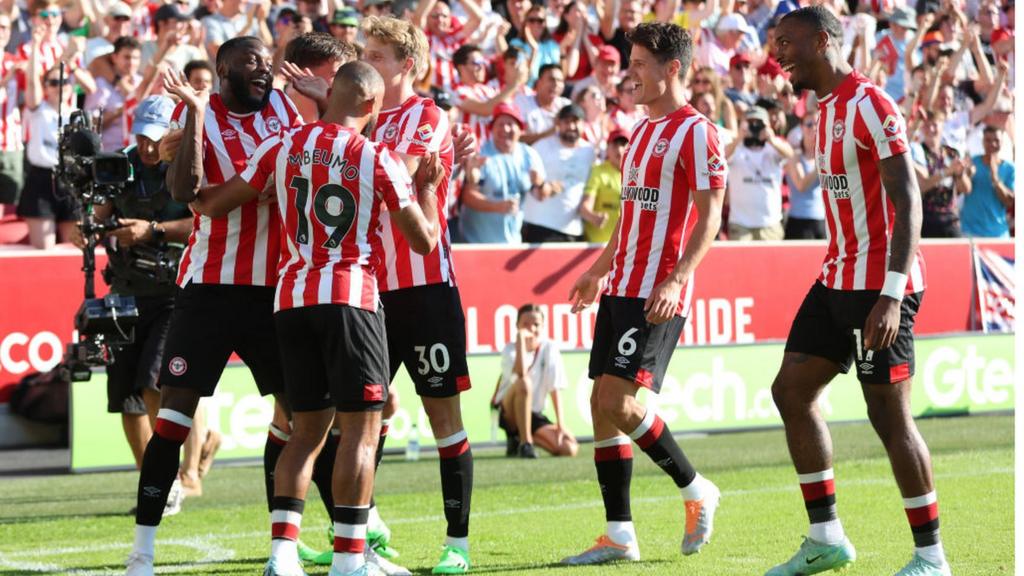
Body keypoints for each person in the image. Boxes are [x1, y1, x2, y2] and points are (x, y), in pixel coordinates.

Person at [189, 60, 444, 576]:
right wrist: (430, 191)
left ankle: (283, 556)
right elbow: (423, 241)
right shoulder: (377, 157)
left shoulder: (283, 145)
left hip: (290, 297)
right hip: (351, 296)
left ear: (333, 98)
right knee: (360, 433)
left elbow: (213, 204)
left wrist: (186, 174)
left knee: (303, 432)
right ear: (371, 106)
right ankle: (351, 560)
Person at [123, 37, 332, 576]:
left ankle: (305, 548)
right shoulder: (199, 118)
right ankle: (141, 553)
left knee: (305, 419)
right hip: (209, 289)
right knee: (172, 420)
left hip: (275, 291)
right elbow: (188, 192)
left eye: (266, 61)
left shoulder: (286, 108)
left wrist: (323, 103)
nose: (262, 70)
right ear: (222, 71)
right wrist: (193, 119)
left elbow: (315, 163)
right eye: (249, 62)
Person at [769, 6, 948, 575]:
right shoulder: (821, 112)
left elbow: (908, 201)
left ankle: (932, 558)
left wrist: (892, 295)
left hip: (881, 288)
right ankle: (826, 537)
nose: (778, 54)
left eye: (787, 42)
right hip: (835, 278)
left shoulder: (871, 104)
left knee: (888, 417)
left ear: (823, 41)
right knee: (791, 392)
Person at [564, 21, 725, 566]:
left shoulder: (697, 132)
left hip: (657, 290)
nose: (629, 74)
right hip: (622, 288)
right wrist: (597, 270)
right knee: (600, 408)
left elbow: (711, 217)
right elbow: (630, 218)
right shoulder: (640, 130)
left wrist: (677, 279)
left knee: (619, 402)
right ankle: (619, 534)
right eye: (629, 64)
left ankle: (696, 487)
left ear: (672, 68)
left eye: (637, 65)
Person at [362, 16, 473, 574]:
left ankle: (457, 544)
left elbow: (395, 183)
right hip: (369, 291)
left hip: (426, 288)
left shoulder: (427, 115)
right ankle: (365, 526)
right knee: (361, 415)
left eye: (378, 56)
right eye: (365, 54)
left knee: (442, 417)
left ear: (406, 64)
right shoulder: (362, 119)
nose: (368, 64)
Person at [88, 96, 215, 508]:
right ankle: (155, 485)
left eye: (154, 138)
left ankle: (182, 474)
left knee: (156, 383)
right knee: (126, 396)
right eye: (142, 136)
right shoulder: (119, 164)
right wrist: (88, 228)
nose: (146, 147)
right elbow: (98, 217)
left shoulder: (188, 163)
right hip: (125, 292)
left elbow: (205, 218)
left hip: (175, 292)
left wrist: (152, 230)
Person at [17, 31, 79, 249]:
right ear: (46, 87)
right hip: (42, 178)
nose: (60, 85)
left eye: (64, 81)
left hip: (71, 179)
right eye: (53, 82)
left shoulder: (77, 113)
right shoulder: (37, 109)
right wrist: (35, 45)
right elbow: (31, 82)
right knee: (44, 246)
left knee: (72, 247)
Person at [491, 304, 578, 458]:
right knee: (524, 383)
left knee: (569, 448)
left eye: (536, 324)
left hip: (533, 414)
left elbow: (554, 388)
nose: (531, 329)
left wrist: (560, 424)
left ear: (543, 326)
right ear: (517, 326)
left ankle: (519, 439)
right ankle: (526, 444)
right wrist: (520, 341)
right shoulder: (509, 350)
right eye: (525, 324)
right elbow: (520, 373)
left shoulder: (550, 348)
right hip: (508, 412)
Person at [460, 102, 544, 243]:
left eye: (510, 124)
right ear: (491, 129)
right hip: (476, 244)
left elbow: (541, 194)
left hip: (512, 242)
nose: (505, 128)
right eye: (500, 124)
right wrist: (497, 207)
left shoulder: (530, 155)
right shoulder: (481, 154)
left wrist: (541, 185)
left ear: (520, 129)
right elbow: (468, 197)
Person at [522, 103, 595, 242]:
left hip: (573, 229)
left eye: (576, 122)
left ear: (584, 124)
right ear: (558, 124)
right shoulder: (542, 146)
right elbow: (526, 177)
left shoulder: (589, 151)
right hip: (540, 225)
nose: (571, 127)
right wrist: (540, 187)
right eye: (566, 122)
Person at [724, 105, 794, 241]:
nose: (754, 126)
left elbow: (790, 155)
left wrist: (771, 139)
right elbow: (722, 156)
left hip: (769, 224)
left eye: (759, 123)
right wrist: (739, 137)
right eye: (750, 122)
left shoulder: (774, 147)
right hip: (741, 224)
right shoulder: (736, 148)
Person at [85, 36, 143, 152]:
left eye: (135, 58)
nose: (131, 62)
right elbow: (89, 125)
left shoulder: (141, 83)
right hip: (110, 154)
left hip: (136, 153)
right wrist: (119, 112)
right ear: (115, 57)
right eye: (127, 57)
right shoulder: (100, 85)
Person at [961, 125, 1014, 238]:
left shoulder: (1010, 168)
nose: (992, 144)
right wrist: (964, 175)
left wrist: (995, 178)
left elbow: (1009, 202)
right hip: (970, 232)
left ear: (1002, 142)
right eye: (988, 140)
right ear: (983, 142)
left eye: (996, 140)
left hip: (998, 234)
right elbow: (963, 190)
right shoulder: (972, 163)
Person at [783, 113, 826, 239]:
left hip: (821, 220)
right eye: (809, 124)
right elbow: (801, 185)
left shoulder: (825, 155)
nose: (813, 128)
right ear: (801, 127)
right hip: (798, 220)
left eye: (817, 124)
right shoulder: (795, 156)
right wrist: (821, 163)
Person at [580, 129, 627, 243]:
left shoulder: (637, 173)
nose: (620, 150)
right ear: (607, 149)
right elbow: (584, 208)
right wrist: (594, 217)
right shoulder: (598, 172)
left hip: (625, 247)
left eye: (623, 145)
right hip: (598, 246)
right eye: (615, 145)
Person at [514, 63, 569, 145]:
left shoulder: (566, 105)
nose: (556, 84)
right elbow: (517, 139)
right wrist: (548, 133)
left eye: (560, 81)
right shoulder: (522, 102)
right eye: (551, 79)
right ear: (539, 82)